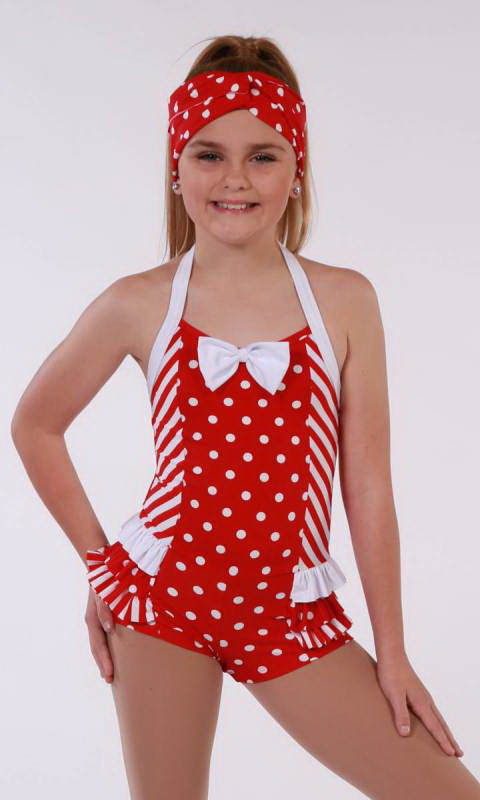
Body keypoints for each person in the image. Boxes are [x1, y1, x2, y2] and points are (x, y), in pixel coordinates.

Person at [11, 33, 480, 800]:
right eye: (210, 154)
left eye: (263, 156)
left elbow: (368, 485)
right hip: (161, 605)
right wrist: (101, 565)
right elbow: (35, 425)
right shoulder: (137, 303)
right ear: (177, 167)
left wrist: (391, 653)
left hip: (288, 616)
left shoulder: (345, 301)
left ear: (296, 170)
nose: (235, 178)